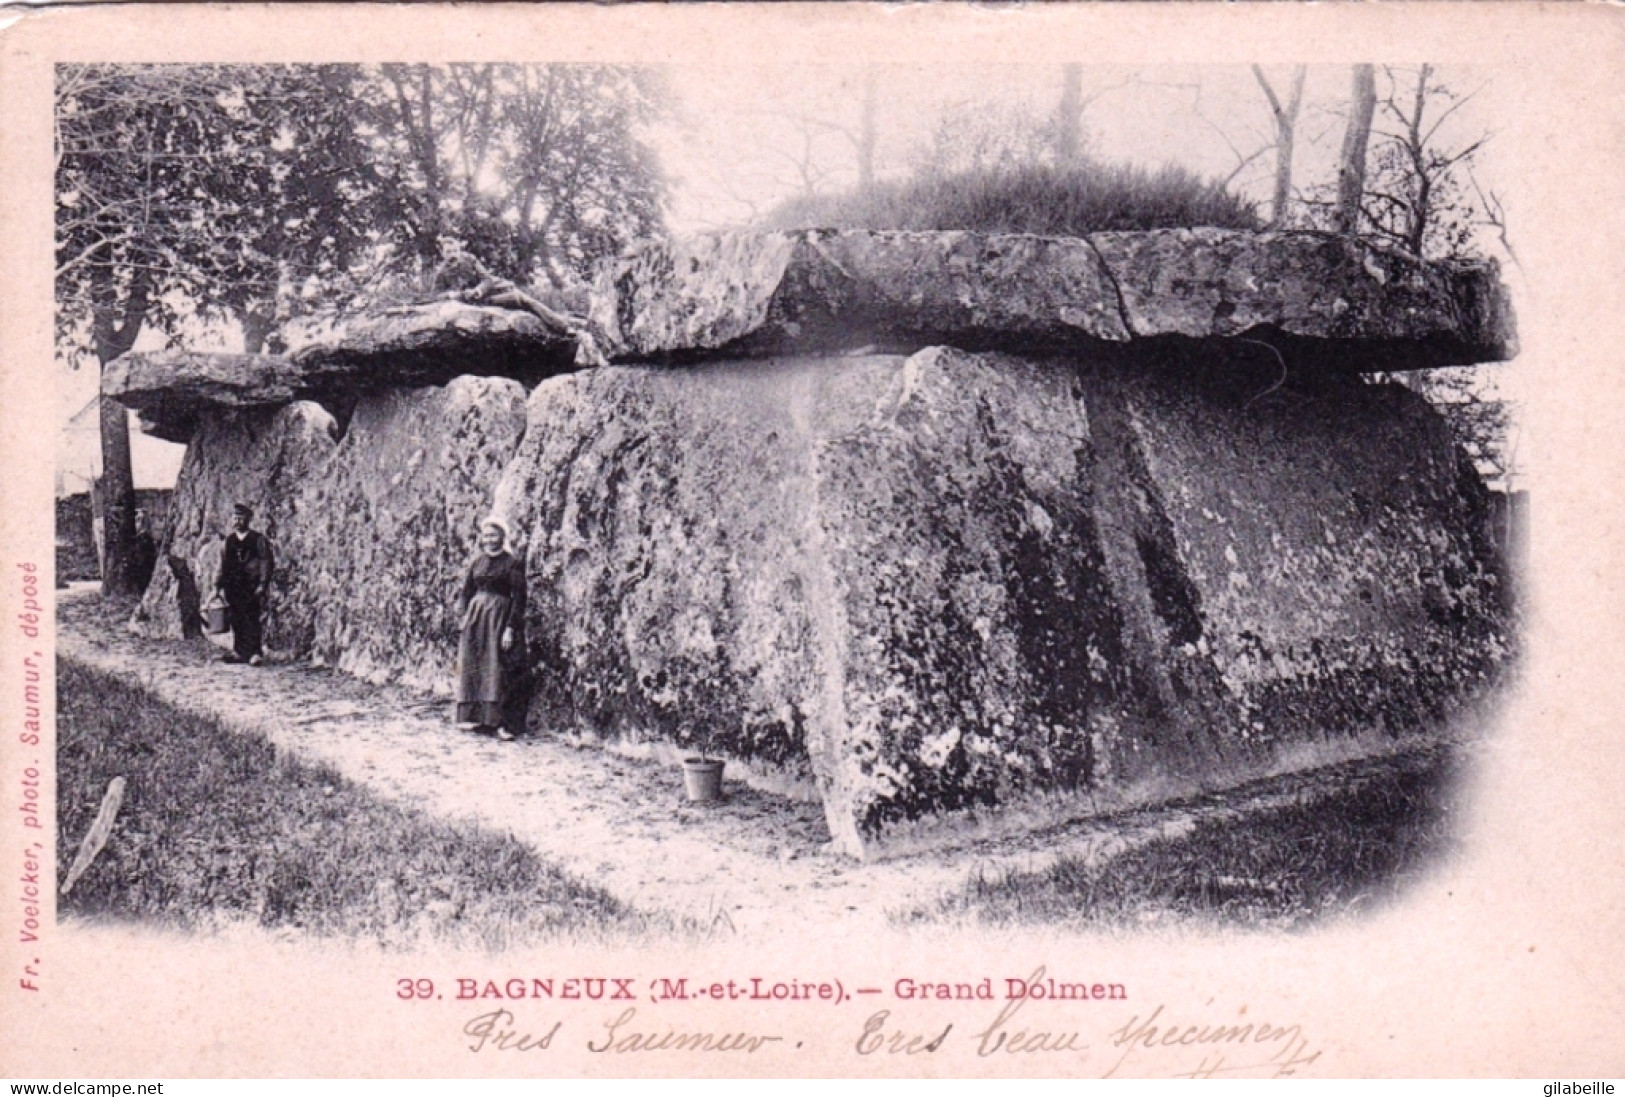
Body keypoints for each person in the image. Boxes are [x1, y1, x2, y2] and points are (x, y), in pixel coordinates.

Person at [455, 516, 529, 741]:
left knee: (498, 667)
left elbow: (519, 597)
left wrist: (510, 628)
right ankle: (482, 720)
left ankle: (502, 723)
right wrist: (465, 616)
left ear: (502, 537)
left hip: (499, 619)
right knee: (477, 665)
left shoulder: (512, 563)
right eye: (486, 535)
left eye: (493, 535)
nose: (489, 539)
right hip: (477, 621)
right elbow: (467, 591)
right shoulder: (477, 562)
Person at [215, 502, 274, 666]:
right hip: (232, 586)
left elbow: (265, 562)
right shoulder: (228, 541)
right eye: (235, 517)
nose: (237, 521)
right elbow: (221, 564)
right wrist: (217, 586)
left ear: (248, 519)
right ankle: (239, 651)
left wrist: (262, 583)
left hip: (251, 586)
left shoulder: (258, 539)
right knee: (236, 617)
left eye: (241, 517)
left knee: (251, 617)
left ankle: (255, 652)